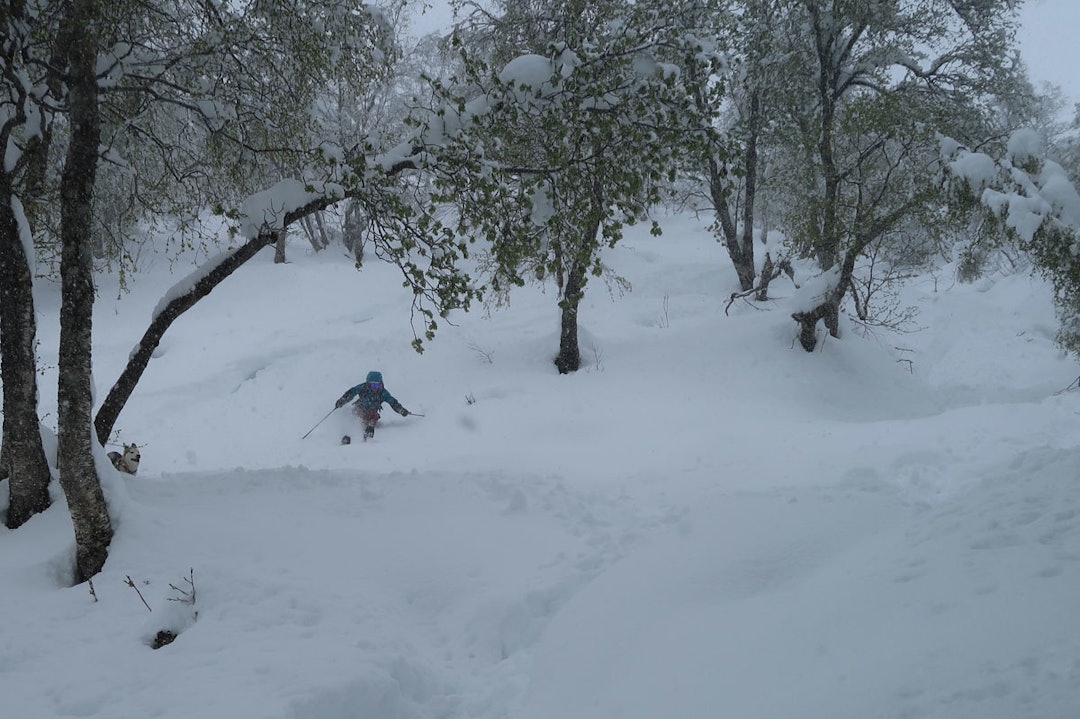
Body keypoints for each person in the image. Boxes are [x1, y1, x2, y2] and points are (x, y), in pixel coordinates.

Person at [335, 370, 410, 440]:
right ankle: (348, 434)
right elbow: (351, 392)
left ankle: (369, 428)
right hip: (360, 408)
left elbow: (393, 402)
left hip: (372, 413)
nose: (375, 389)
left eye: (378, 386)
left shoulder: (383, 393)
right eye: (373, 386)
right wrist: (342, 400)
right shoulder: (363, 388)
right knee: (355, 416)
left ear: (381, 384)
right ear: (368, 384)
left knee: (373, 415)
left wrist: (401, 410)